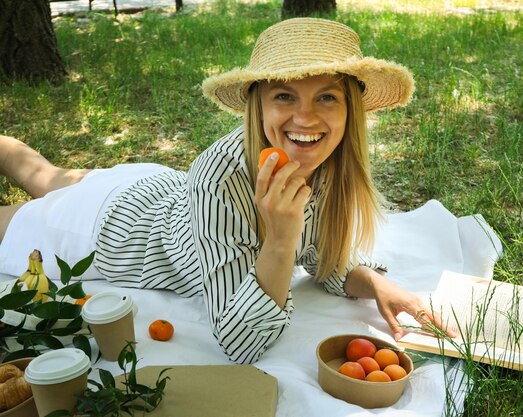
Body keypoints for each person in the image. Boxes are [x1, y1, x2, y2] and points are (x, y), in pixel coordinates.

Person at [0, 17, 449, 364]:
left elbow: (319, 258)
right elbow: (239, 342)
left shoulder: (330, 161)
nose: (306, 118)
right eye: (284, 96)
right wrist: (278, 239)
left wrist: (374, 283)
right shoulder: (220, 177)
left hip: (154, 186)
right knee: (37, 192)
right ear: (258, 104)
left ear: (350, 109)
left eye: (327, 97)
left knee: (43, 172)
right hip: (111, 234)